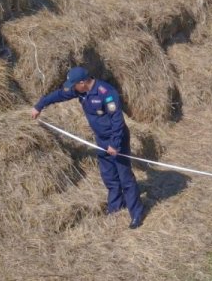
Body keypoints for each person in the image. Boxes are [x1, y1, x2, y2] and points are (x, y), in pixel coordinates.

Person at [31, 67, 145, 229]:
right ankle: (115, 206)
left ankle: (137, 214)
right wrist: (39, 105)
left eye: (74, 85)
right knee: (109, 175)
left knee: (125, 177)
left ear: (83, 83)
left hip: (116, 139)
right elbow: (59, 95)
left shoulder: (106, 93)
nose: (71, 88)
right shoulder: (80, 91)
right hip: (101, 139)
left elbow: (117, 121)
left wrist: (115, 144)